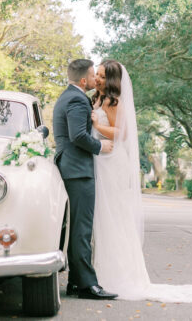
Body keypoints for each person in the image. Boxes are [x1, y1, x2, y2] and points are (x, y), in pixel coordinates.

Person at [90, 59, 192, 303]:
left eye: (101, 76)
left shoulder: (111, 101)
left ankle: (117, 275)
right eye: (96, 74)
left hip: (112, 162)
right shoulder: (96, 98)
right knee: (103, 216)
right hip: (101, 160)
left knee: (113, 216)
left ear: (111, 81)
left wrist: (97, 125)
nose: (97, 79)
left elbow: (123, 134)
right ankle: (100, 270)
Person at [51, 58, 117, 300]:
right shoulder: (77, 99)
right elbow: (78, 135)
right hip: (78, 171)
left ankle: (77, 282)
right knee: (81, 229)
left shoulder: (66, 97)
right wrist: (100, 146)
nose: (95, 79)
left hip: (70, 168)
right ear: (83, 80)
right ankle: (88, 285)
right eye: (92, 75)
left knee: (77, 228)